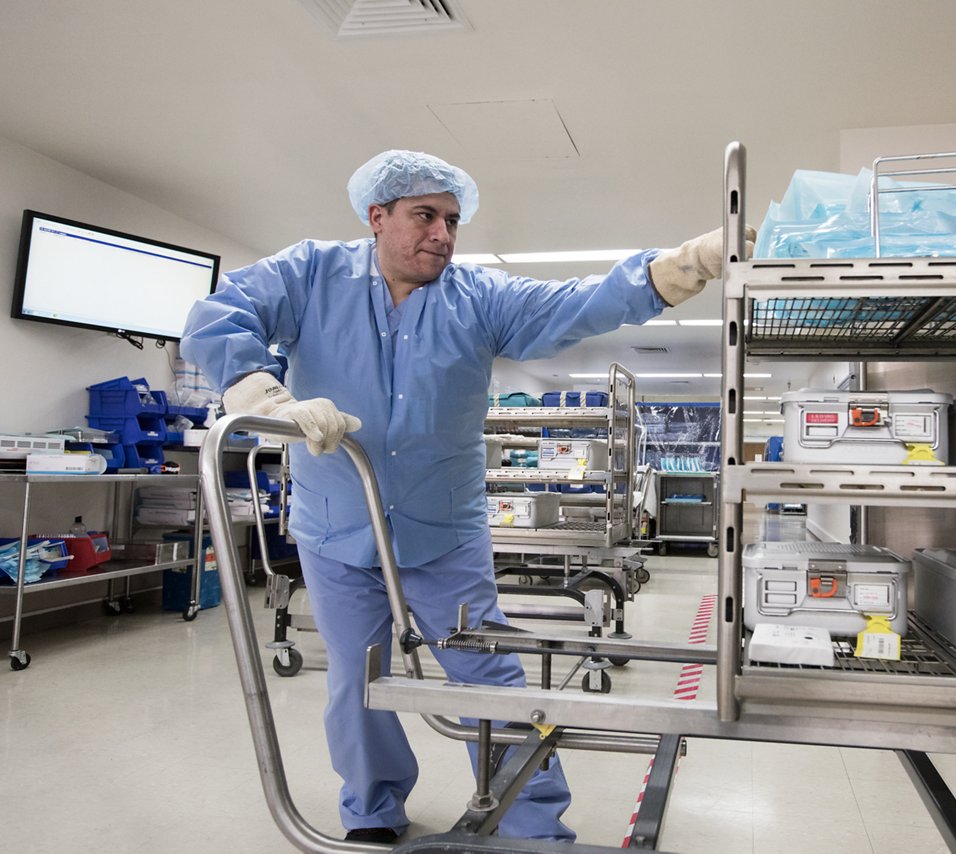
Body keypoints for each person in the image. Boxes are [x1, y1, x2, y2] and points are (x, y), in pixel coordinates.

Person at [181, 149, 754, 844]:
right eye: (425, 216)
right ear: (378, 217)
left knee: (487, 677)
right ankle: (372, 810)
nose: (444, 234)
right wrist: (255, 388)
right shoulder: (309, 274)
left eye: (452, 220)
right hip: (336, 531)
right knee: (355, 686)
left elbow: (575, 304)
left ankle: (532, 821)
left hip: (442, 532)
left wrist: (678, 266)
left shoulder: (478, 297)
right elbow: (218, 313)